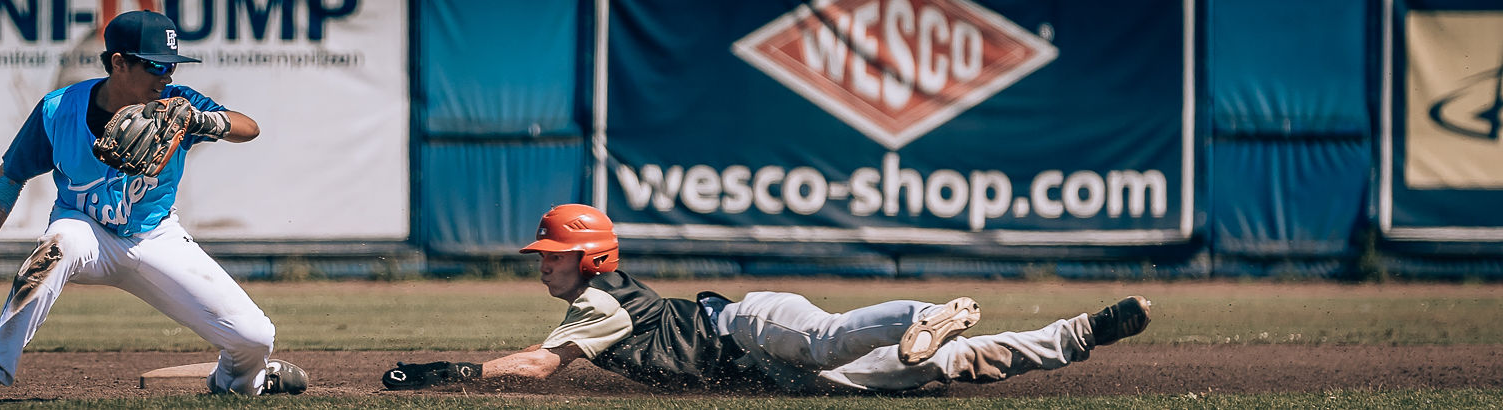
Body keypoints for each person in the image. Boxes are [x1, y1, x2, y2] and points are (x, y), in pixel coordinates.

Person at [384, 204, 1152, 393]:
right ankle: (1082, 332)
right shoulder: (599, 298)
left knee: (828, 338)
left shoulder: (599, 305)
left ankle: (922, 314)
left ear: (586, 258)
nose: (540, 266)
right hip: (776, 373)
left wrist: (456, 373)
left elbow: (538, 365)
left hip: (749, 324)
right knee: (950, 367)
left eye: (550, 256)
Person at [0, 11, 305, 403]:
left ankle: (240, 380)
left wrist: (202, 121)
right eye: (156, 65)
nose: (167, 75)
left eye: (172, 66)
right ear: (119, 62)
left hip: (156, 235)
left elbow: (248, 127)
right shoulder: (59, 108)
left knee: (255, 336)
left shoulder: (177, 105)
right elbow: (11, 174)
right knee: (58, 247)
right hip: (86, 230)